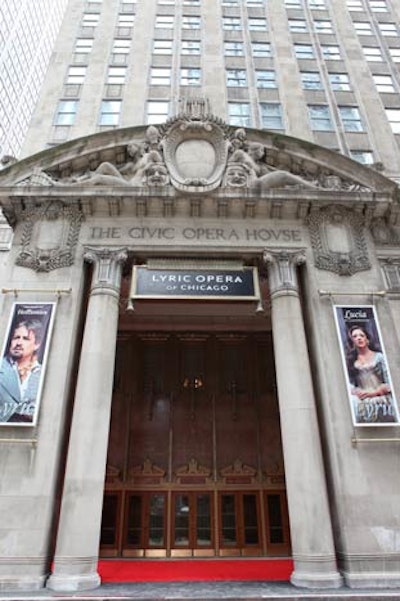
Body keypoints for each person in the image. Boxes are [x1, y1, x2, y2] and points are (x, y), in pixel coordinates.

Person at [346, 325, 396, 423]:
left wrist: (376, 392)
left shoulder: (379, 357)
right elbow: (349, 382)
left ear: (367, 339)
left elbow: (390, 379)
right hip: (362, 398)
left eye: (361, 335)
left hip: (380, 396)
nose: (359, 338)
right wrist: (356, 391)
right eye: (355, 336)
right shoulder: (351, 361)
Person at [0, 319, 44, 423]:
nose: (19, 343)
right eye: (16, 338)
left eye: (25, 339)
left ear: (36, 344)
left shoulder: (41, 373)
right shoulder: (2, 367)